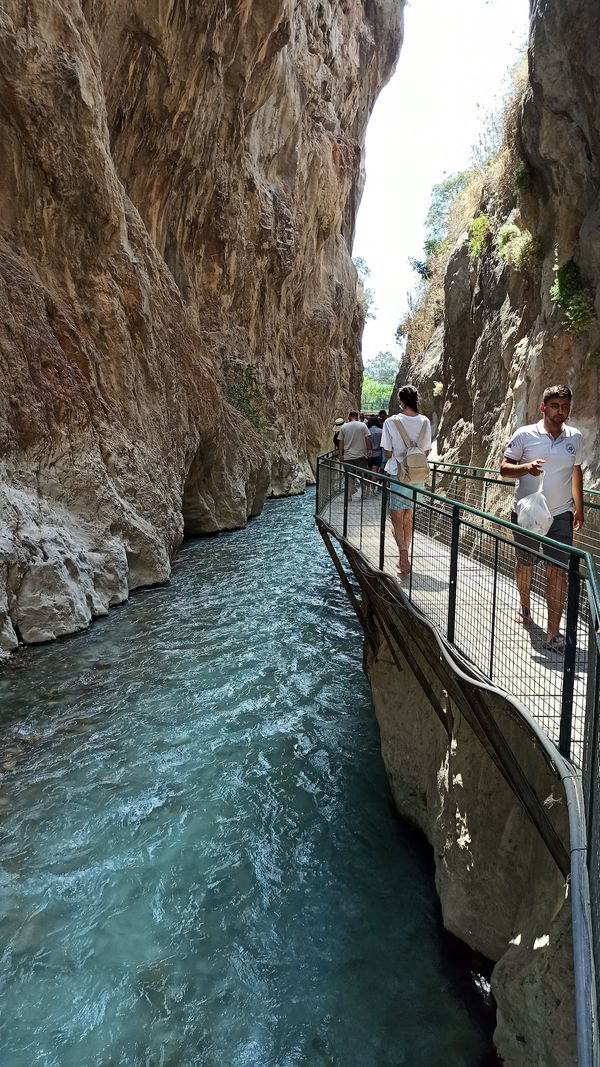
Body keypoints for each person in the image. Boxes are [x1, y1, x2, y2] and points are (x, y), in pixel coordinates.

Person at [500, 384, 584, 653]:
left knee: (557, 571)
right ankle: (525, 608)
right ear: (543, 407)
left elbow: (575, 471)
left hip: (560, 513)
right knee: (525, 563)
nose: (561, 412)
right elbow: (503, 468)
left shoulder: (575, 437)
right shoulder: (525, 435)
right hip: (527, 514)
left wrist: (578, 507)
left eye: (566, 406)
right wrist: (526, 468)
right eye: (556, 406)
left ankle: (553, 632)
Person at [381, 385, 432, 575]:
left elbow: (387, 452)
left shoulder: (391, 422)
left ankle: (402, 554)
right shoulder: (425, 422)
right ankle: (405, 553)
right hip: (417, 475)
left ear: (401, 401)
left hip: (397, 473)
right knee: (409, 515)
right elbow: (426, 451)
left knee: (396, 516)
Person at [338, 410, 372, 500]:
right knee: (363, 475)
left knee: (349, 476)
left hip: (348, 456)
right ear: (357, 417)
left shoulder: (344, 427)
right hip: (361, 456)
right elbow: (367, 438)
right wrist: (369, 449)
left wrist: (340, 454)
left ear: (349, 417)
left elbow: (341, 441)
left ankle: (348, 496)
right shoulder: (363, 425)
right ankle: (364, 494)